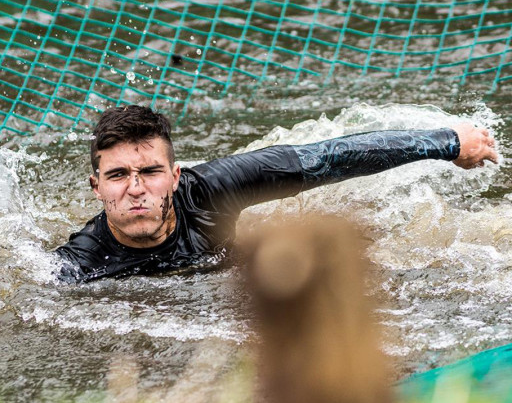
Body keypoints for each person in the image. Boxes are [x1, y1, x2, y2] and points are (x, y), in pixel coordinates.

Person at [55, 105, 498, 283]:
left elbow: (329, 158)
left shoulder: (213, 189)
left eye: (150, 172)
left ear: (175, 176)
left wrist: (448, 143)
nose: (136, 189)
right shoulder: (81, 261)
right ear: (96, 188)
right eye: (118, 176)